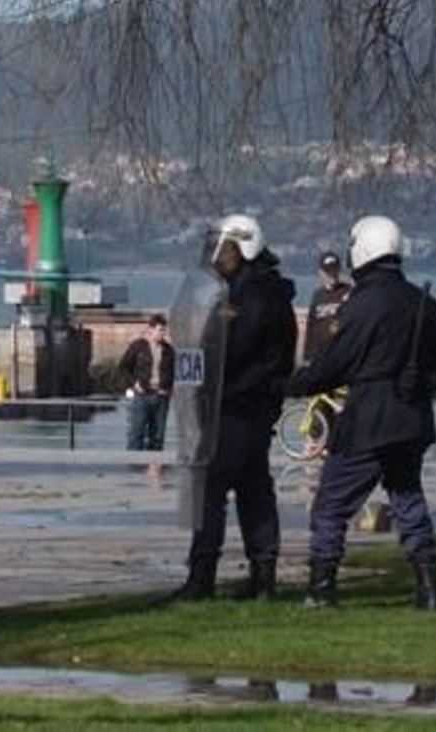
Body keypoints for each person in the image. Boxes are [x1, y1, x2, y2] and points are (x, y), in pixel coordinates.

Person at [288, 216, 436, 610]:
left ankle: (322, 587)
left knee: (331, 503)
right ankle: (429, 586)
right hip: (412, 418)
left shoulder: (360, 306)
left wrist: (286, 385)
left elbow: (330, 367)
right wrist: (421, 381)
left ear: (362, 251)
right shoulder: (424, 303)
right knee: (407, 499)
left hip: (367, 419)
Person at [171, 213, 297, 602]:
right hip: (244, 408)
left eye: (223, 248)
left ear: (245, 246)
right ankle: (262, 577)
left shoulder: (254, 295)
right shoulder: (249, 290)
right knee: (253, 490)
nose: (215, 255)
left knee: (211, 491)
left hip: (239, 405)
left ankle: (202, 577)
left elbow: (234, 349)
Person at [120, 314, 175, 451]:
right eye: (160, 330)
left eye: (164, 330)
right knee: (136, 434)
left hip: (161, 397)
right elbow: (123, 367)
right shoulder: (138, 346)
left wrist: (168, 389)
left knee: (158, 436)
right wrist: (134, 384)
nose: (163, 333)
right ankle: (134, 467)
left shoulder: (169, 350)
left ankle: (154, 467)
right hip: (142, 395)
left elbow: (174, 372)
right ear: (150, 329)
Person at [301, 251, 350, 362]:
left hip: (341, 355)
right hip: (319, 355)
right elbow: (311, 325)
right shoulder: (317, 296)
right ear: (320, 272)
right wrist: (307, 356)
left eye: (335, 270)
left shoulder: (349, 292)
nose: (332, 274)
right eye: (328, 271)